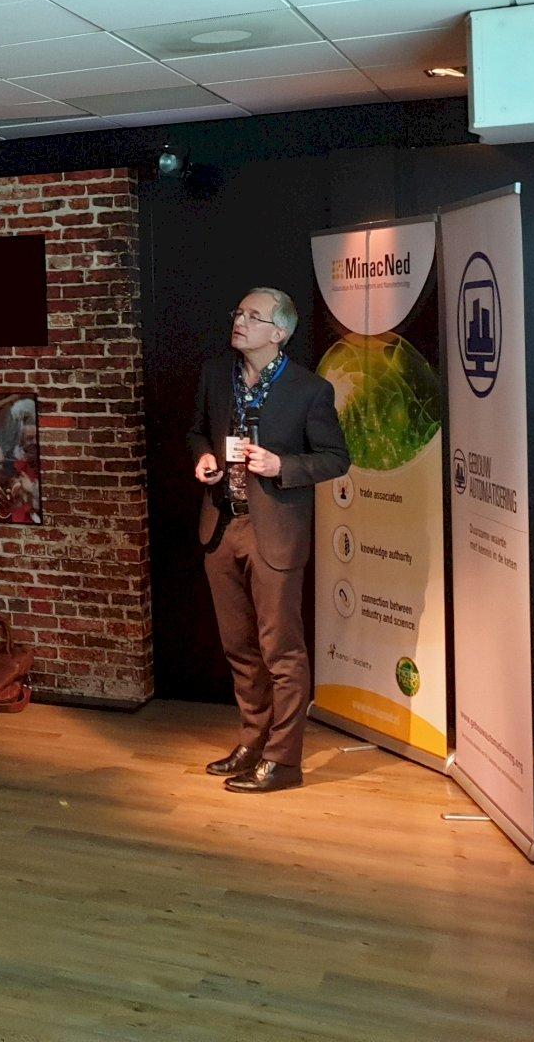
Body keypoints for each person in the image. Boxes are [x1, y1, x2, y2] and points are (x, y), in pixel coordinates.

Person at [188, 287, 350, 795]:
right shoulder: (217, 376)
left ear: (278, 334)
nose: (239, 321)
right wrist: (202, 459)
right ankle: (252, 743)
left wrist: (284, 465)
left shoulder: (309, 390)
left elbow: (335, 458)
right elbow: (196, 432)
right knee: (240, 648)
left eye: (253, 317)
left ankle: (284, 760)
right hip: (221, 524)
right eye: (238, 312)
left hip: (273, 531)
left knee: (281, 651)